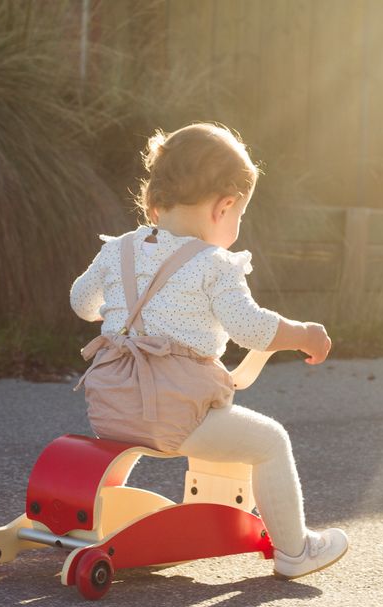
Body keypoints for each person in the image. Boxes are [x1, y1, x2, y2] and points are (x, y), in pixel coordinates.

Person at [70, 123, 348, 579]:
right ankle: (296, 551)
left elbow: (81, 304)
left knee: (216, 428)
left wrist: (120, 317)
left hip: (110, 409)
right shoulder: (213, 265)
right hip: (174, 415)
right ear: (225, 205)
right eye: (240, 214)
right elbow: (251, 329)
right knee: (270, 441)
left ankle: (103, 514)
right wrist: (303, 333)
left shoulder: (118, 250)